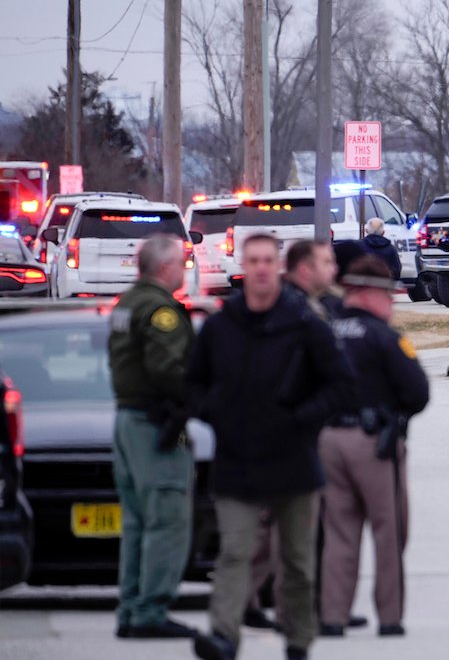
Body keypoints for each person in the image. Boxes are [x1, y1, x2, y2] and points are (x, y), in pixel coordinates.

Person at [188, 234, 353, 660]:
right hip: (236, 460)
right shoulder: (222, 325)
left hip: (293, 460)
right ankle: (224, 636)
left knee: (297, 562)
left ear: (277, 266)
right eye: (254, 260)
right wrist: (215, 413)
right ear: (244, 265)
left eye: (268, 260)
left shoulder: (304, 323)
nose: (261, 267)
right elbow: (193, 383)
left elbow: (340, 383)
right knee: (234, 553)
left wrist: (303, 417)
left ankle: (298, 640)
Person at [319, 256, 430, 638]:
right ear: (368, 293)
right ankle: (390, 616)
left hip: (328, 441)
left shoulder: (326, 331)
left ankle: (332, 615)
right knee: (390, 531)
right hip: (374, 444)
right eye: (388, 295)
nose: (392, 303)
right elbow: (418, 392)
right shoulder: (384, 337)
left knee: (339, 532)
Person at [107, 234, 197, 640]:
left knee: (138, 522)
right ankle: (150, 609)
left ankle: (130, 606)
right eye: (180, 262)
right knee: (166, 518)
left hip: (128, 420)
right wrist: (196, 397)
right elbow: (167, 368)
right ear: (164, 268)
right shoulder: (160, 310)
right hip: (154, 424)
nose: (184, 268)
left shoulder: (127, 304)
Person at [285, 240, 343, 321]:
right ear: (305, 269)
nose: (335, 269)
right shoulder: (292, 310)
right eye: (327, 262)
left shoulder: (317, 300)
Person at [357, 217, 403, 282]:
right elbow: (397, 270)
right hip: (385, 286)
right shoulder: (391, 248)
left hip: (364, 286)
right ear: (383, 232)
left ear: (366, 231)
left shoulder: (358, 247)